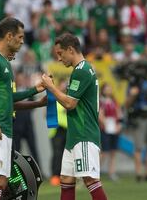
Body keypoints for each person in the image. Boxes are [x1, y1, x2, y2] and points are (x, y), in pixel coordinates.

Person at [0, 17, 45, 200]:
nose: (22, 41)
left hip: (4, 127)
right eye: (20, 37)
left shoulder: (5, 62)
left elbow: (8, 99)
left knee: (1, 180)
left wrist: (34, 92)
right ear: (9, 36)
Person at [41, 33, 107, 200]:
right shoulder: (81, 70)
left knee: (90, 180)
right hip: (74, 136)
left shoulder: (82, 71)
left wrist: (51, 88)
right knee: (66, 180)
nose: (59, 58)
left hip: (84, 134)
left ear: (70, 50)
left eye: (60, 53)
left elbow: (70, 103)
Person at [125, 65, 147, 182]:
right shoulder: (133, 84)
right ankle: (138, 172)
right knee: (138, 147)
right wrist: (133, 95)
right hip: (138, 117)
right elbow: (127, 104)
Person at [99, 83, 123, 181]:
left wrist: (119, 125)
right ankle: (95, 173)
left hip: (114, 128)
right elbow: (100, 114)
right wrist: (104, 123)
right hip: (105, 128)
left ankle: (112, 172)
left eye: (110, 88)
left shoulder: (114, 101)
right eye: (107, 88)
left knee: (113, 152)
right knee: (104, 152)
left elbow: (119, 113)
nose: (109, 90)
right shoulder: (100, 101)